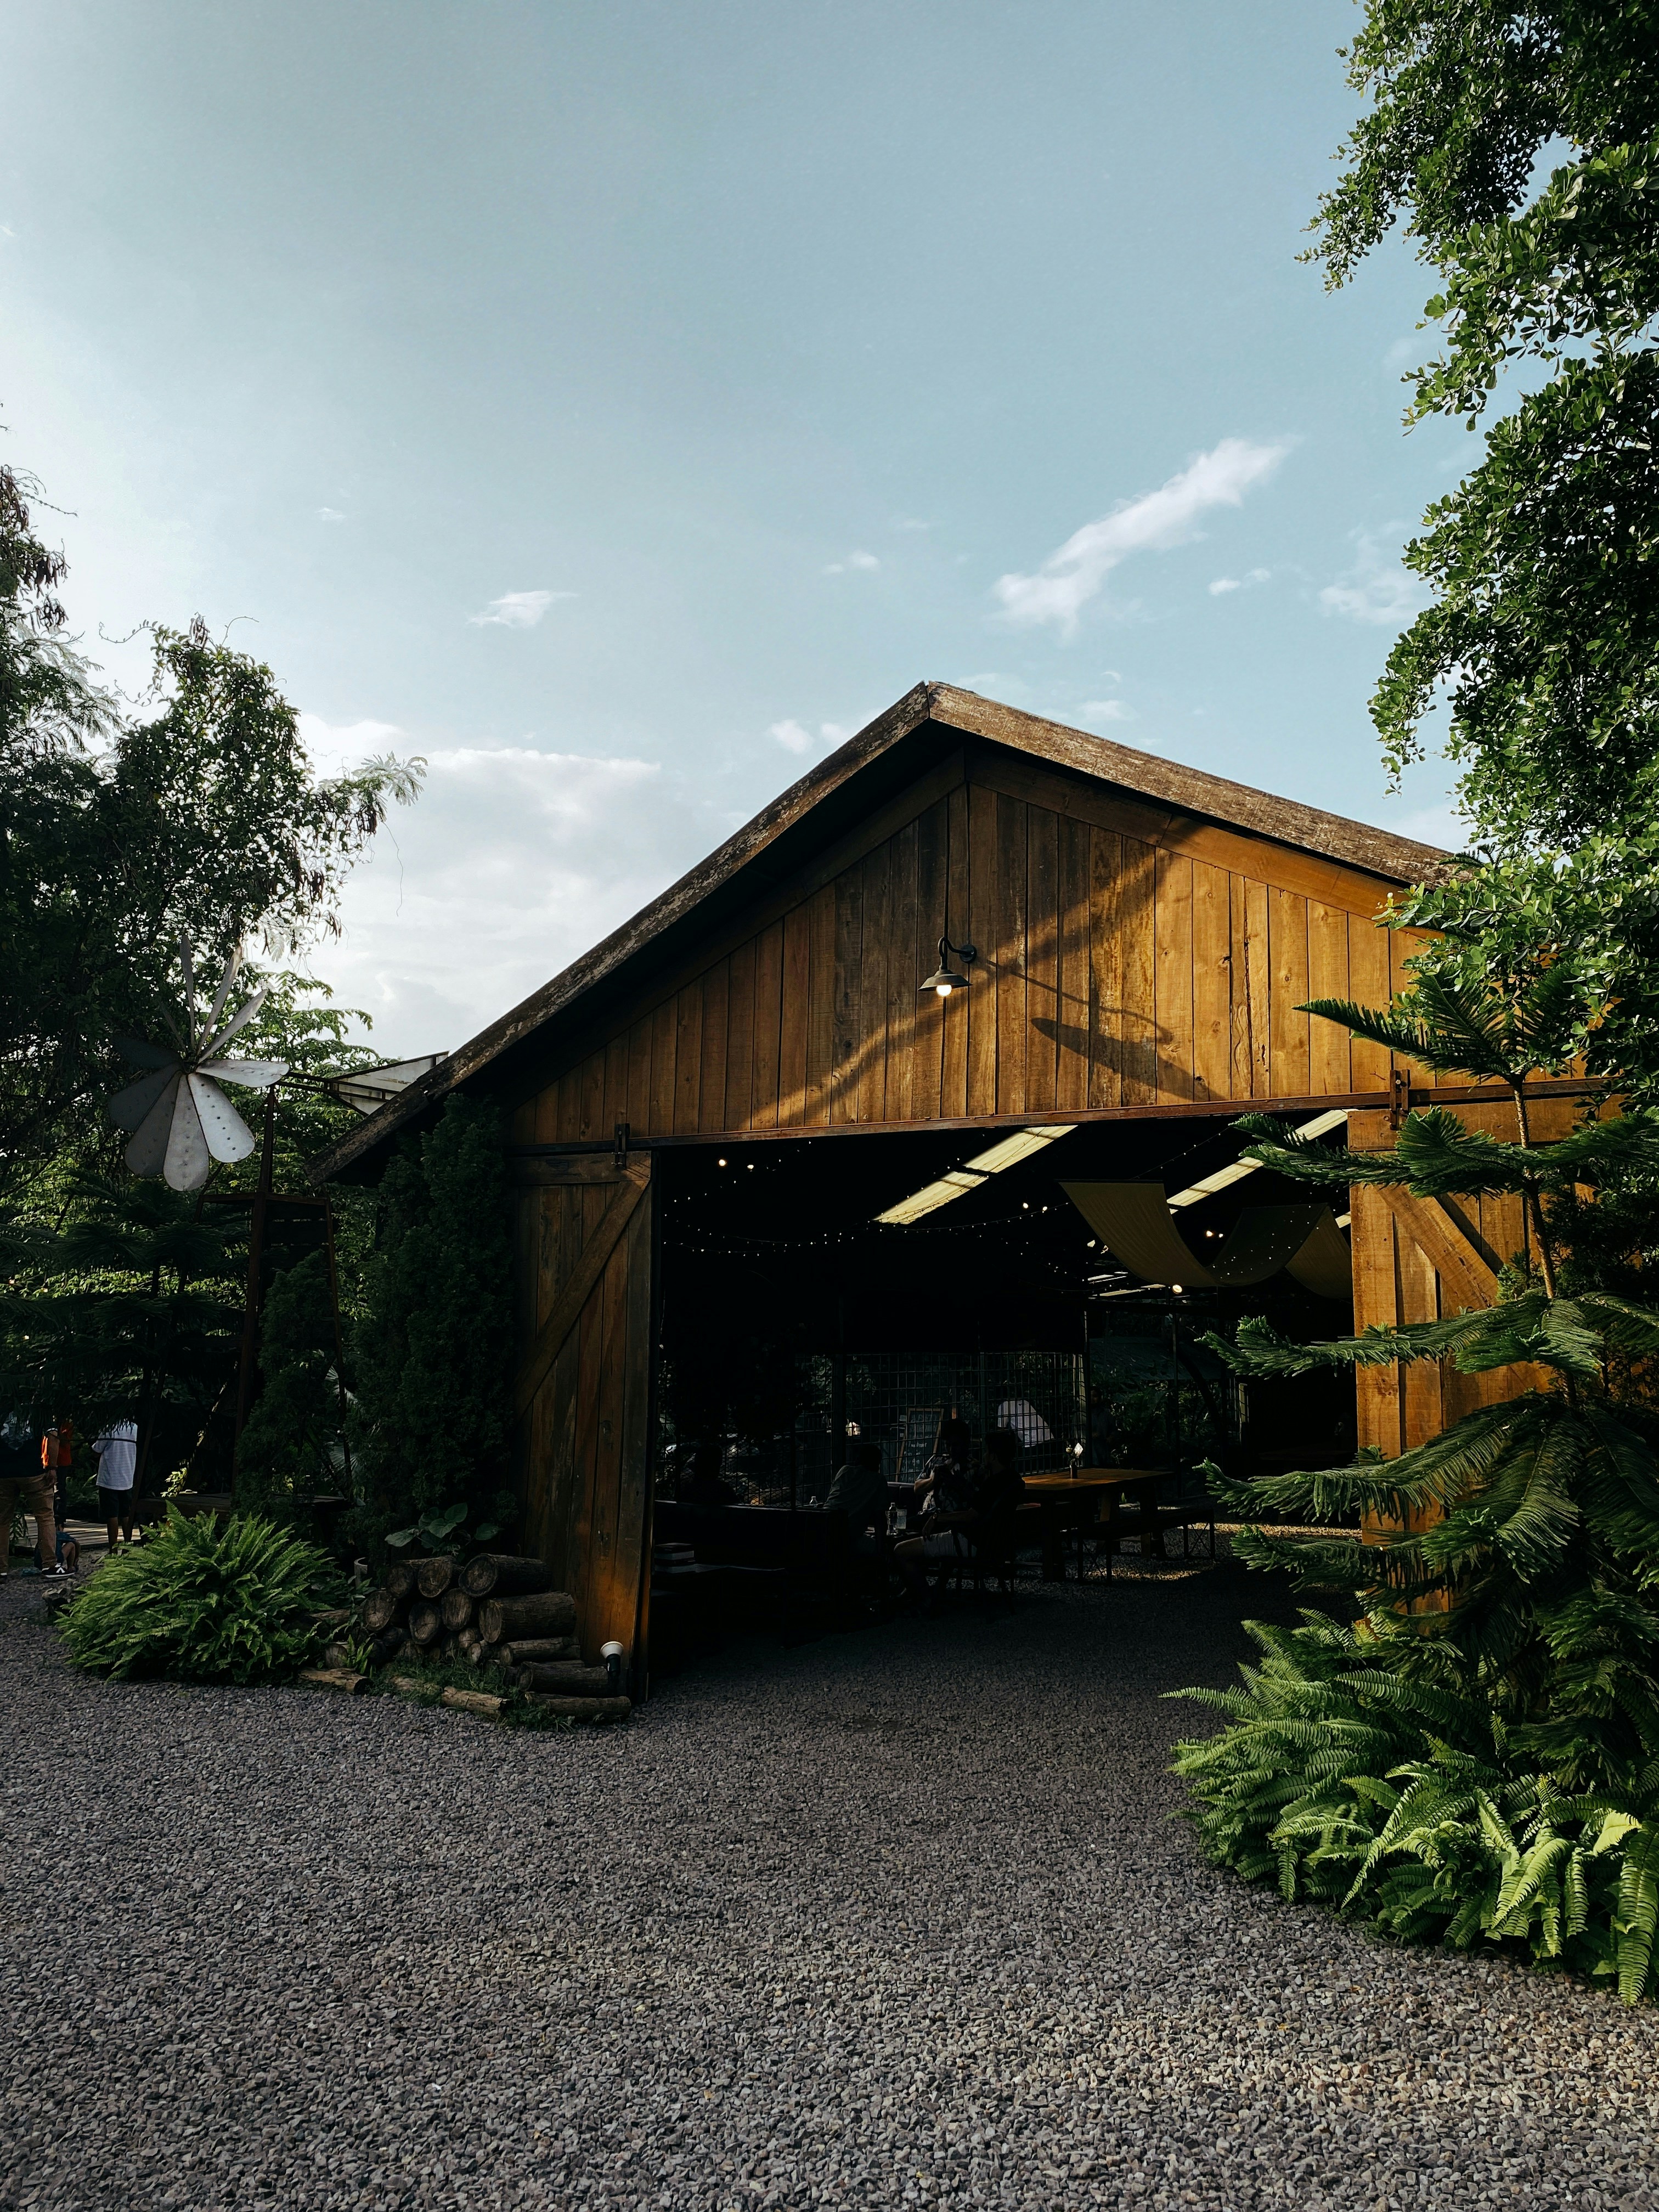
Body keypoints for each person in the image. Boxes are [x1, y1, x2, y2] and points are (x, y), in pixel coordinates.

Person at [894, 1427, 1025, 1609]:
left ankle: (926, 1597)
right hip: (982, 1540)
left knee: (900, 1550)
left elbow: (972, 1515)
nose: (985, 1455)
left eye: (987, 1452)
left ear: (993, 1456)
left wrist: (938, 1518)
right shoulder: (1012, 1480)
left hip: (969, 1540)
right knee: (912, 1534)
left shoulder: (989, 1482)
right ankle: (928, 1590)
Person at [0, 1410, 59, 1583]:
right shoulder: (40, 1406)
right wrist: (52, 1467)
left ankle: (1, 1570)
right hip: (33, 1472)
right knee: (45, 1516)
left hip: (3, 1473)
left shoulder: (3, 1402)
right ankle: (50, 1565)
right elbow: (53, 1436)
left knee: (2, 1520)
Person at [821, 1440, 888, 1550]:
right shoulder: (878, 1480)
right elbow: (880, 1518)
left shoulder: (844, 1471)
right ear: (876, 1463)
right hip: (848, 1536)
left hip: (824, 1529)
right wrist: (882, 1549)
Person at [91, 1417, 139, 1552]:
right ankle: (127, 1547)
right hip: (127, 1477)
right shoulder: (134, 1428)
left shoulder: (109, 1428)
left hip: (110, 1479)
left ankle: (113, 1549)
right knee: (126, 1514)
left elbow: (97, 1450)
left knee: (112, 1514)